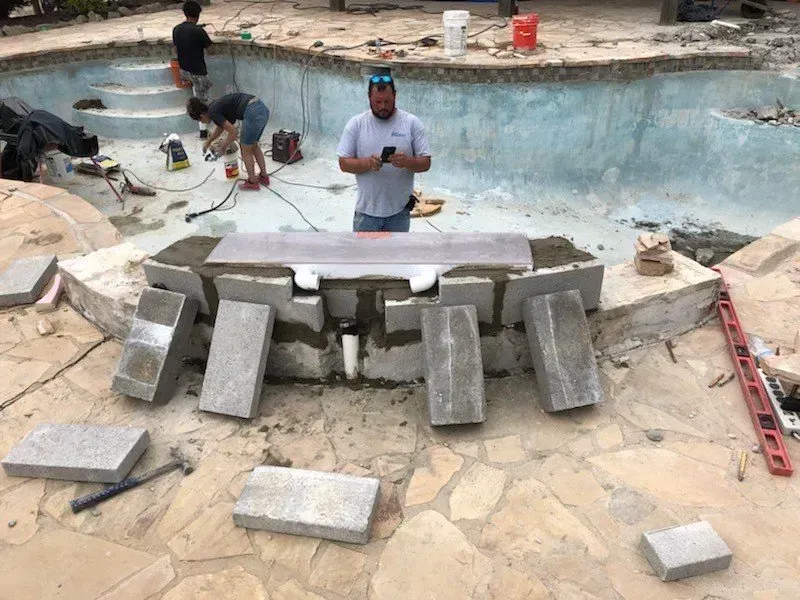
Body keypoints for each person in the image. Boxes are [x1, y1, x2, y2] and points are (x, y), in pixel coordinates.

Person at [337, 74, 432, 233]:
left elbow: (426, 163)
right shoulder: (356, 125)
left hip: (400, 212)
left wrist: (407, 162)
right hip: (367, 213)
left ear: (395, 95)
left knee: (396, 258)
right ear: (369, 98)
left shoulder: (411, 123)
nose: (383, 106)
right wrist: (367, 163)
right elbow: (344, 163)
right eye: (377, 102)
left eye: (387, 102)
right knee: (365, 257)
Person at [186, 93, 271, 191]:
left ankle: (252, 182)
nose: (203, 123)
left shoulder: (213, 112)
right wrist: (208, 142)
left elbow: (233, 132)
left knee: (245, 149)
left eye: (201, 120)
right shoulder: (214, 107)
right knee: (254, 146)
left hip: (252, 112)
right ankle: (264, 177)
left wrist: (223, 147)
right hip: (261, 109)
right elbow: (221, 127)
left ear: (202, 115)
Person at [173, 0, 213, 138]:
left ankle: (202, 127)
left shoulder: (176, 29)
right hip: (198, 73)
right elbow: (211, 50)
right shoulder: (198, 31)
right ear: (198, 15)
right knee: (202, 103)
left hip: (184, 71)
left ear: (185, 14)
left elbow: (176, 48)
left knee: (196, 100)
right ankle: (203, 131)